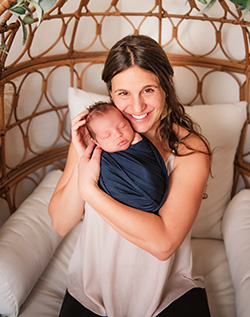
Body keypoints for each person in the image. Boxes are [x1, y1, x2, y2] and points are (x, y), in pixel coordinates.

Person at [49, 34, 212, 317]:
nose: (137, 107)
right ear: (111, 94)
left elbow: (163, 245)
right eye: (124, 93)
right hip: (92, 291)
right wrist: (82, 157)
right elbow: (61, 223)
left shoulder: (190, 149)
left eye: (148, 90)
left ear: (167, 85)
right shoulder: (95, 136)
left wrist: (91, 192)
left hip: (168, 292)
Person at [85, 101, 169, 214]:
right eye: (107, 135)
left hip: (151, 202)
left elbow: (150, 163)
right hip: (122, 209)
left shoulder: (141, 143)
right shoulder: (98, 158)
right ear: (96, 142)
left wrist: (141, 146)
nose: (118, 134)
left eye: (122, 126)